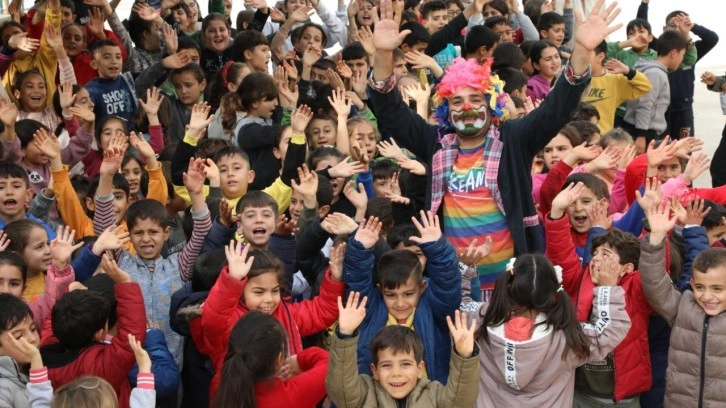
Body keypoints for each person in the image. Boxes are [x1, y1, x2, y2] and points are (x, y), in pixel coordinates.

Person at [367, 0, 621, 299]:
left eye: (476, 100)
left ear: (493, 104)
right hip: (452, 284)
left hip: (511, 288)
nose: (467, 108)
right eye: (457, 102)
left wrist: (581, 52)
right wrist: (384, 55)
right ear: (446, 111)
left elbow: (558, 107)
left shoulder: (514, 139)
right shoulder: (435, 143)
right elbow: (391, 111)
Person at [468, 253, 631, 406]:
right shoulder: (567, 338)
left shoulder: (480, 321)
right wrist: (607, 288)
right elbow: (609, 331)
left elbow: (456, 306)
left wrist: (465, 269)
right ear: (552, 293)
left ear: (509, 284)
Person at [201, 240, 343, 398]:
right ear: (240, 291)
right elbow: (213, 320)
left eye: (275, 291)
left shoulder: (286, 313)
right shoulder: (231, 321)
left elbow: (321, 311)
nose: (269, 299)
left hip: (284, 396)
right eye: (259, 292)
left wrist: (335, 280)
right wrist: (231, 280)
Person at [343, 211, 461, 383]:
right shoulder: (370, 309)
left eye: (408, 294)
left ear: (422, 288)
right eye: (391, 295)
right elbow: (356, 279)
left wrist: (438, 248)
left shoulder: (433, 308)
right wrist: (360, 249)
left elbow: (448, 283)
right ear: (380, 290)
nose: (400, 303)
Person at [639, 200, 726, 407]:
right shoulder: (684, 306)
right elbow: (655, 283)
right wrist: (656, 238)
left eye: (717, 289)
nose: (707, 296)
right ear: (692, 284)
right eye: (700, 287)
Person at [326, 293, 480, 407]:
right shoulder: (365, 394)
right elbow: (341, 390)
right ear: (374, 370)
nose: (396, 373)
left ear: (420, 368)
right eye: (386, 365)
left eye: (405, 364)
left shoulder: (434, 394)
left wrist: (464, 356)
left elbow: (460, 401)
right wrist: (345, 335)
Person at [38, 254, 147, 408]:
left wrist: (72, 296)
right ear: (99, 334)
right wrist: (124, 283)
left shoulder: (46, 352)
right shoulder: (102, 368)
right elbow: (131, 333)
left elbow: (54, 320)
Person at [211, 311, 329, 408]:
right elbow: (329, 364)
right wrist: (298, 360)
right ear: (278, 360)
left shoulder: (219, 384)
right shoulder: (290, 396)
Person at [622, 31, 688, 153]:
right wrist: (641, 136)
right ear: (674, 53)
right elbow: (645, 104)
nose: (681, 59)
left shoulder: (653, 70)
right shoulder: (655, 73)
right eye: (682, 54)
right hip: (644, 133)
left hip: (641, 130)